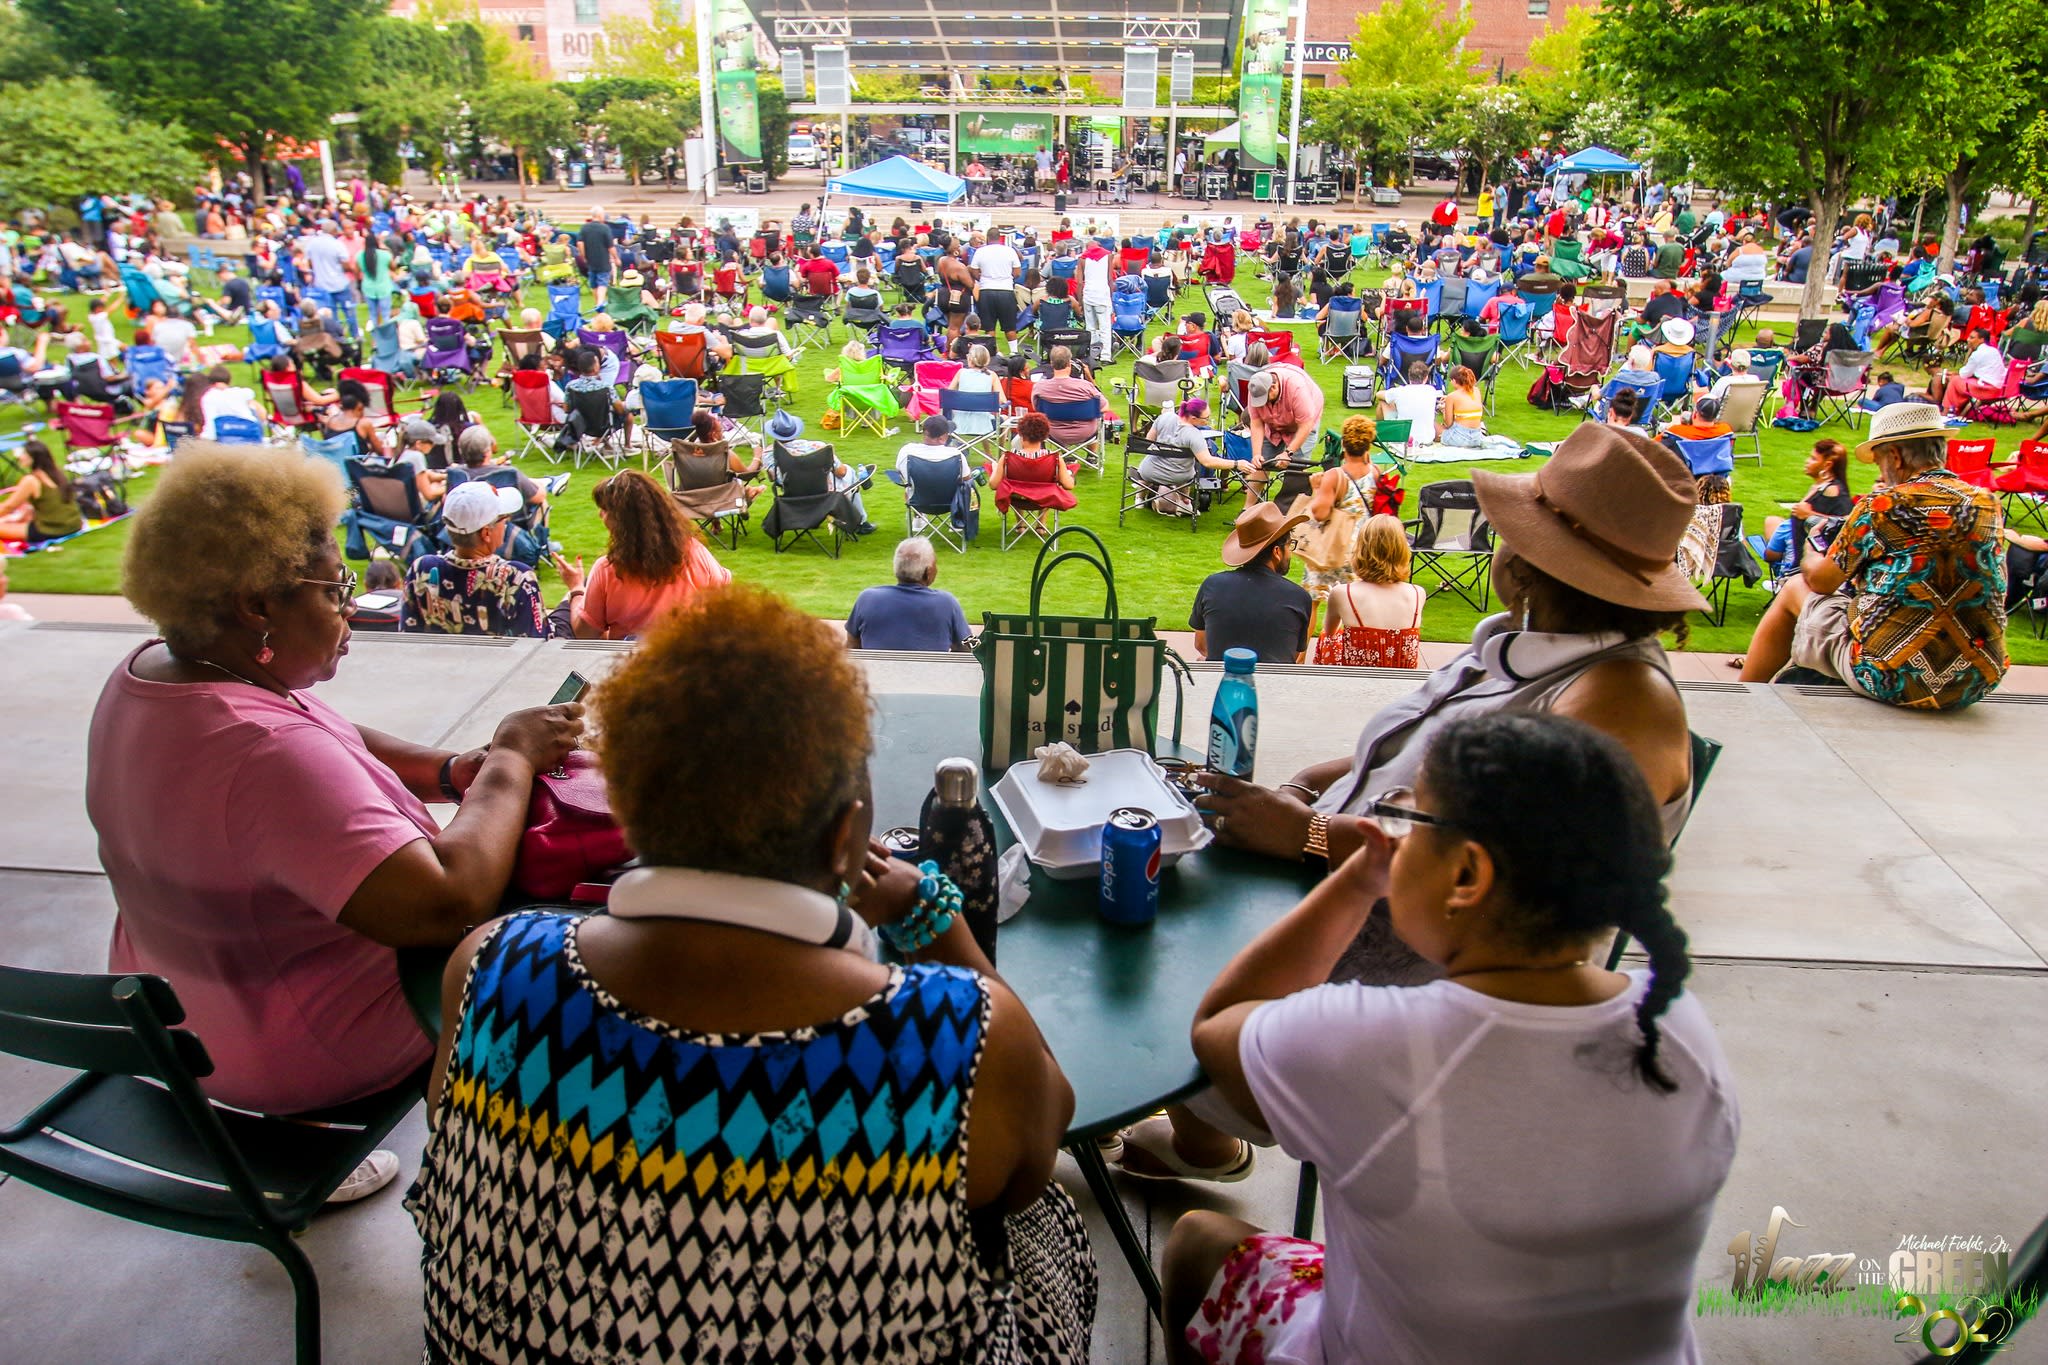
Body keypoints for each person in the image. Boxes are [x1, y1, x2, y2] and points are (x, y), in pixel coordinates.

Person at [411, 586, 1094, 1361]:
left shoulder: (490, 967)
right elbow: (1046, 1119)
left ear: (627, 812)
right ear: (845, 838)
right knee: (1047, 1222)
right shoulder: (954, 1037)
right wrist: (930, 912)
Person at [1162, 712, 1737, 1365]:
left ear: (1467, 875)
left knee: (1197, 1241)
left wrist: (1357, 875)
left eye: (1410, 817)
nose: (1389, 822)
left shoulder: (1379, 1044)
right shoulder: (1682, 1029)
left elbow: (1220, 1026)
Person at [88, 442, 582, 1202]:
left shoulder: (157, 672)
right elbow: (446, 899)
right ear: (258, 605)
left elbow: (321, 730)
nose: (348, 607)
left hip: (184, 1007)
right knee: (557, 946)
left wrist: (450, 771)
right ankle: (504, 1197)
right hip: (292, 1052)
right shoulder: (264, 756)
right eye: (334, 588)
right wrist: (512, 754)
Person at [1739, 403, 2006, 709]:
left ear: (1895, 456)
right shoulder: (1988, 504)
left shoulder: (1881, 506)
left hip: (1893, 679)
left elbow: (1823, 581)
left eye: (1879, 462)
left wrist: (1811, 548)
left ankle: (1743, 698)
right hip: (1976, 679)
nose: (1880, 471)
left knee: (1794, 588)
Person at [401, 482, 584, 637]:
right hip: (503, 675)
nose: (507, 523)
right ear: (486, 533)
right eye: (504, 519)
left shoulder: (421, 569)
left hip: (437, 674)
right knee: (572, 602)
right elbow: (541, 642)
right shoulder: (514, 577)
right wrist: (575, 590)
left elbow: (407, 635)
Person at [569, 469, 731, 640]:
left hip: (632, 662)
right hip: (686, 658)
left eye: (605, 509)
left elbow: (586, 634)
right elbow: (724, 604)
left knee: (563, 616)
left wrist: (576, 591)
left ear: (621, 521)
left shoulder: (607, 570)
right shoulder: (695, 553)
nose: (600, 514)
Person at [1190, 504, 1313, 664]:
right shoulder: (1299, 597)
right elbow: (1292, 655)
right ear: (1277, 552)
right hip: (1275, 684)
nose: (1290, 552)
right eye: (1289, 545)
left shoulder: (1212, 585)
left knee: (1201, 660)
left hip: (1225, 680)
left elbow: (1201, 644)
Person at [1314, 514, 1425, 669]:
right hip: (1402, 686)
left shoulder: (1342, 594)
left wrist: (1337, 603)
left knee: (1328, 638)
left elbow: (1329, 636)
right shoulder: (1418, 593)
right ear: (1402, 549)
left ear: (1362, 549)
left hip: (1357, 684)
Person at [844, 536, 975, 651]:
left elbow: (852, 648)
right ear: (928, 572)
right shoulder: (947, 603)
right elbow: (968, 648)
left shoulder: (867, 599)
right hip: (932, 678)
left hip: (878, 677)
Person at [1245, 357, 1327, 496]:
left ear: (1274, 387)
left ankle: (1291, 512)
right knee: (1260, 467)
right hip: (1272, 422)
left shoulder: (1297, 389)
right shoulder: (1256, 388)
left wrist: (1288, 453)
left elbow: (1305, 426)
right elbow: (1257, 423)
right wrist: (1257, 454)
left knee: (1295, 470)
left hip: (1303, 423)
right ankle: (1247, 510)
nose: (1262, 403)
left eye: (1265, 399)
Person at [0, 438, 82, 545]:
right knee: (19, 517)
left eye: (24, 453)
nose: (20, 457)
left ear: (33, 458)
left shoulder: (31, 480)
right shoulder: (57, 474)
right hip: (74, 524)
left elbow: (8, 506)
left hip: (52, 530)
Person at [1378, 360, 1441, 446]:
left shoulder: (1399, 391)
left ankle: (1380, 432)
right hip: (1427, 439)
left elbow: (1379, 394)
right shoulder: (1431, 391)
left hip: (1403, 438)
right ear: (1426, 378)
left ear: (1409, 376)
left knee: (1383, 401)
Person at [580, 206, 618, 307]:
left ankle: (597, 303)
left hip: (590, 260)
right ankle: (600, 304)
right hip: (603, 260)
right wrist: (616, 258)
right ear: (600, 215)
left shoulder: (585, 228)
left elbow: (580, 243)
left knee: (594, 283)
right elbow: (610, 246)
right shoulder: (604, 228)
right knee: (602, 282)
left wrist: (584, 256)